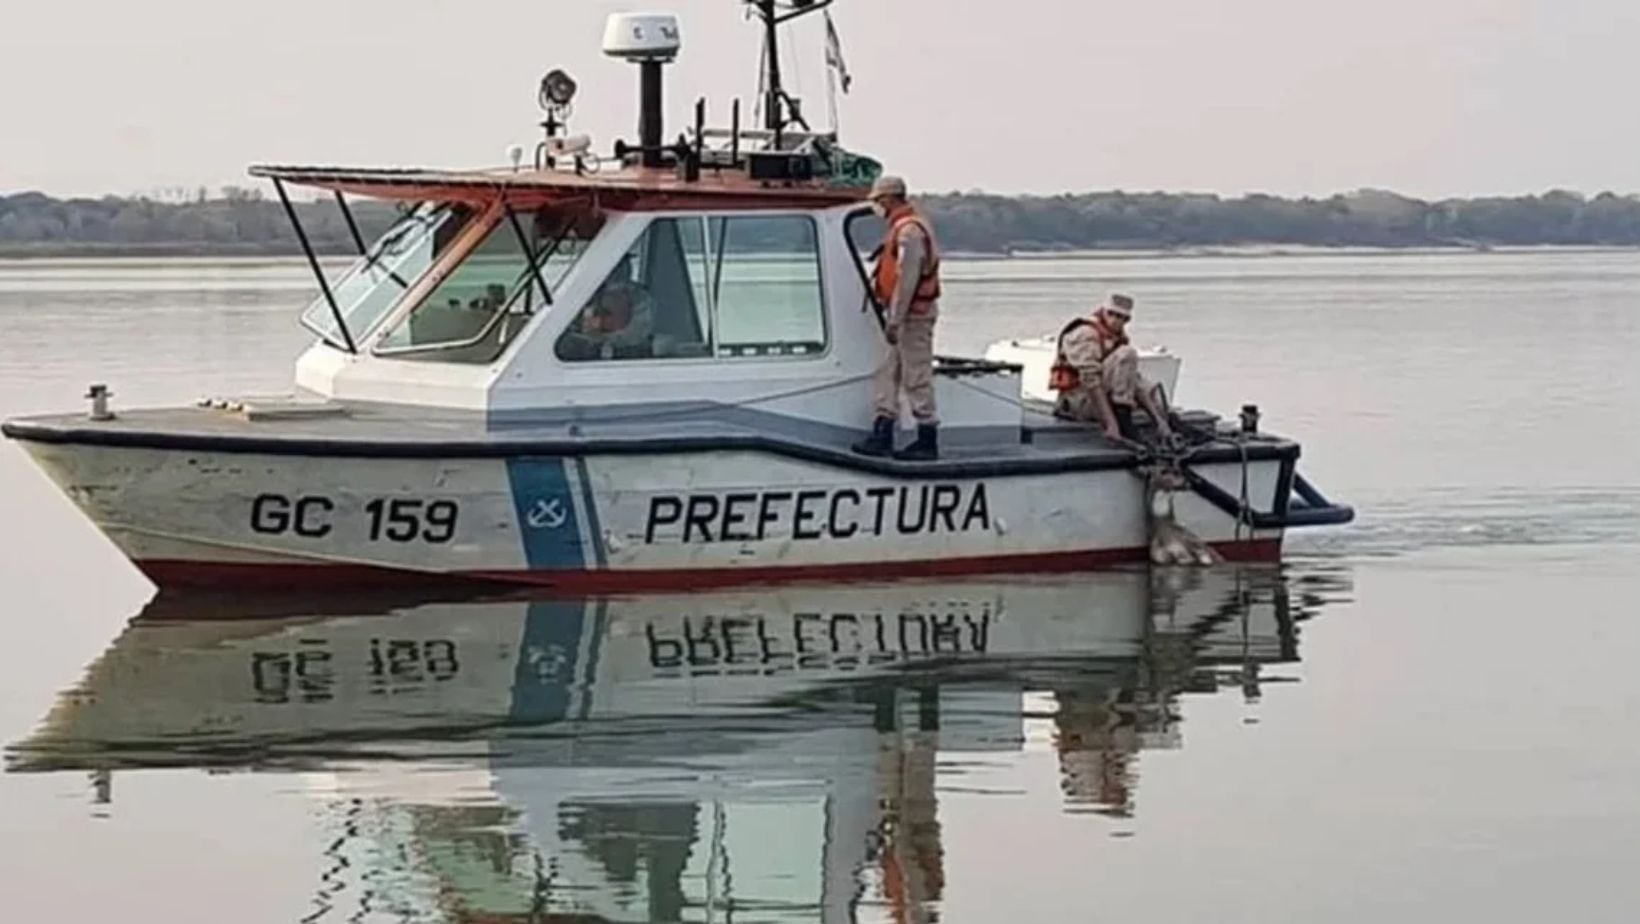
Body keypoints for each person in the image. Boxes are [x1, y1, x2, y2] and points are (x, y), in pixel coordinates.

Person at [852, 175, 943, 461]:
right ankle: (883, 430)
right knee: (887, 372)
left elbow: (908, 279)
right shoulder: (903, 228)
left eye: (878, 201)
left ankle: (927, 438)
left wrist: (896, 319)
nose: (876, 207)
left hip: (912, 317)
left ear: (890, 199)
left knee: (916, 375)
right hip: (900, 316)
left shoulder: (910, 232)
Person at [1050, 293, 1173, 442]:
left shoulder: (1116, 338)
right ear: (1103, 312)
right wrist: (1111, 424)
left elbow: (1131, 380)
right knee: (1127, 354)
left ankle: (1164, 422)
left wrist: (1158, 419)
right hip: (1078, 402)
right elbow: (1091, 381)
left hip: (1101, 399)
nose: (1115, 320)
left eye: (1121, 317)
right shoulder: (1085, 334)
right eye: (1111, 314)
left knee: (1146, 386)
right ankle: (1122, 419)